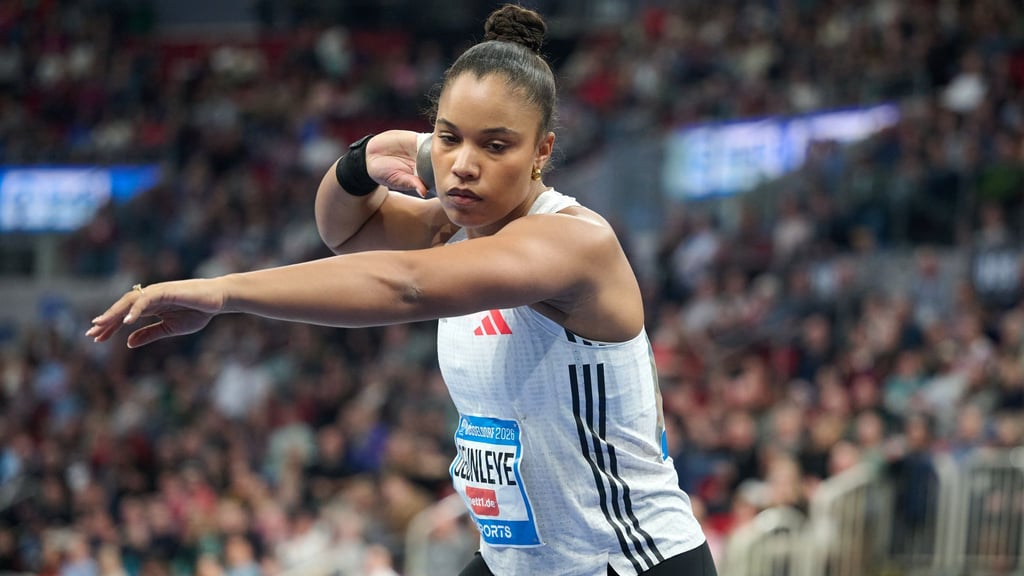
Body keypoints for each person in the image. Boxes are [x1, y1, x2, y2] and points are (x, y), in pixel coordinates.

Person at [87, 5, 716, 575]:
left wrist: (222, 293)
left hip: (626, 561)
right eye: (450, 137)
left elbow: (406, 285)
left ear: (541, 153)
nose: (464, 164)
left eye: (495, 145)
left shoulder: (572, 242)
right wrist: (366, 157)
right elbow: (343, 227)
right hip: (515, 561)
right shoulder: (453, 222)